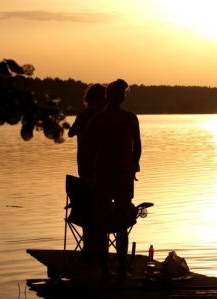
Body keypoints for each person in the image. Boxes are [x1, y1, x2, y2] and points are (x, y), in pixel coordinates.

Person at [81, 78, 141, 280]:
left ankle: (106, 269)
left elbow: (86, 141)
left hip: (103, 173)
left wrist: (91, 165)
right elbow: (138, 147)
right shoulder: (130, 118)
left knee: (103, 223)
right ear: (123, 98)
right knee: (122, 226)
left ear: (106, 97)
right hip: (123, 174)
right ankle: (122, 269)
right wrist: (133, 166)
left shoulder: (98, 118)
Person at [68, 83, 106, 257]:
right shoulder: (87, 116)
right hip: (86, 167)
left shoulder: (102, 116)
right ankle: (91, 248)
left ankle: (97, 249)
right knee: (89, 207)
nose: (104, 101)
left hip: (101, 167)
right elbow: (71, 132)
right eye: (101, 98)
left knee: (99, 207)